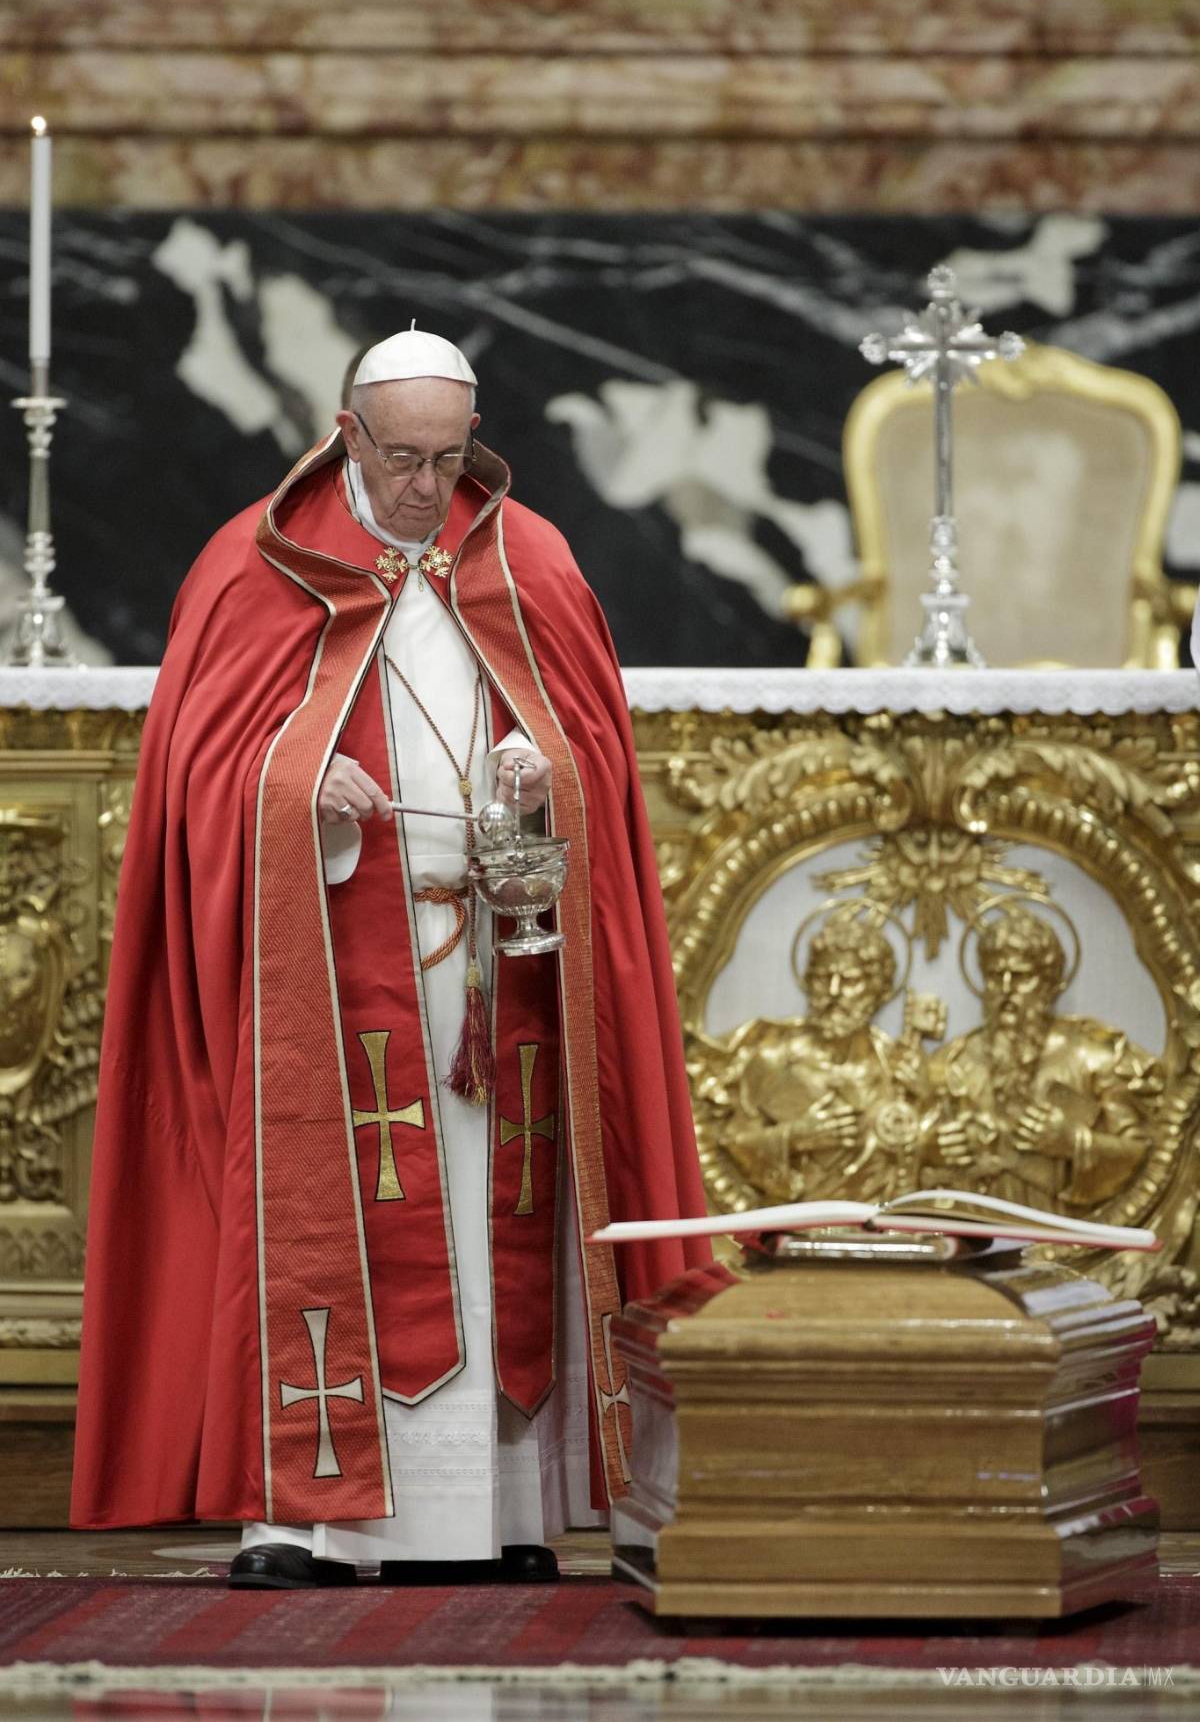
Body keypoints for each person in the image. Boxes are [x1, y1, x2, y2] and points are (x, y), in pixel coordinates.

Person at [71, 328, 709, 1589]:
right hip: (330, 960)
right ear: (348, 433)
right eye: (403, 457)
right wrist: (298, 785)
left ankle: (498, 1514)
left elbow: (591, 753)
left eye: (449, 458)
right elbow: (197, 776)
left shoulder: (530, 560)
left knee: (494, 1231)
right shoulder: (257, 564)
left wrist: (541, 773)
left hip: (501, 966)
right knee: (343, 1217)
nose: (426, 487)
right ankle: (308, 1520)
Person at [931, 906, 1156, 1208]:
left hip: (1062, 1226)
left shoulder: (1093, 1057)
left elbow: (1141, 1154)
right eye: (995, 976)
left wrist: (1073, 1140)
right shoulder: (955, 1060)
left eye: (1021, 976)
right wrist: (933, 1148)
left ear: (1049, 984)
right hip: (971, 1224)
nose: (1006, 989)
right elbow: (914, 1145)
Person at [709, 913, 939, 1203]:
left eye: (850, 980)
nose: (833, 992)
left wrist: (925, 1101)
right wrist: (797, 1136)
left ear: (878, 989)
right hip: (794, 1220)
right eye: (822, 977)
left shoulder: (894, 1065)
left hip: (878, 1220)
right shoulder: (773, 1059)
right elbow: (733, 1141)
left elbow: (924, 1156)